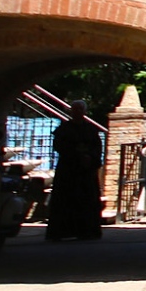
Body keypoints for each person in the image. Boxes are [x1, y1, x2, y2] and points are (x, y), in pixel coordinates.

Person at [46, 101, 106, 242]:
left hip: (86, 172)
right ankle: (61, 232)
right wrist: (76, 155)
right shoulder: (64, 129)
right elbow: (60, 146)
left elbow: (97, 147)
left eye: (80, 109)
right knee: (65, 201)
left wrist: (89, 157)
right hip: (68, 170)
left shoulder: (91, 129)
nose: (78, 111)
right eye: (75, 109)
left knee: (87, 201)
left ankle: (87, 231)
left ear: (84, 111)